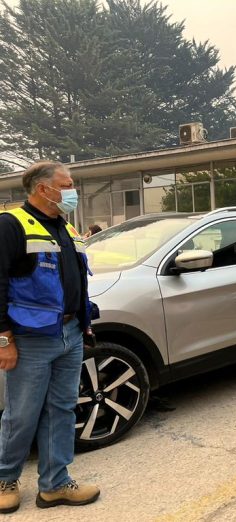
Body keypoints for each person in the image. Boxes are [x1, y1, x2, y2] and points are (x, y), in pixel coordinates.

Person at [0, 162, 100, 513]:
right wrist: (4, 340)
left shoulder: (65, 226)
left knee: (61, 409)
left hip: (70, 333)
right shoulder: (11, 225)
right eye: (67, 185)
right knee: (21, 414)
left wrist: (84, 323)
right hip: (30, 339)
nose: (73, 191)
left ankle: (55, 483)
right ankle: (4, 478)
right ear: (44, 189)